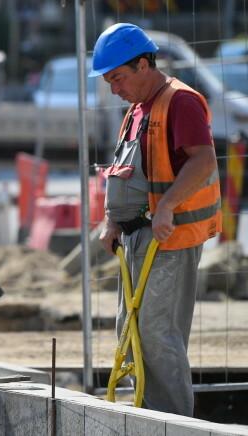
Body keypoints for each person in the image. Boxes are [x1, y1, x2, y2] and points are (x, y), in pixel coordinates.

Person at [90, 23, 221, 416]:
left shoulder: (180, 101)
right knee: (131, 333)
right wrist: (113, 221)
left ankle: (173, 423)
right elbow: (127, 172)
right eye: (109, 80)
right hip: (134, 240)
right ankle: (147, 417)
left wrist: (166, 207)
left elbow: (203, 159)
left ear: (144, 64)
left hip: (169, 239)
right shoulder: (137, 109)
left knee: (156, 335)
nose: (114, 88)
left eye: (118, 78)